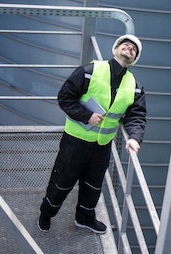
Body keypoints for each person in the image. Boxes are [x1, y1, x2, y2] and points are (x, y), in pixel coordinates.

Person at [38, 35, 147, 234]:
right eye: (126, 45)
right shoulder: (89, 72)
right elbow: (64, 97)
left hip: (102, 146)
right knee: (62, 181)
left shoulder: (135, 86)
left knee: (93, 185)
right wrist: (86, 116)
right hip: (75, 142)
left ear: (135, 59)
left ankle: (85, 218)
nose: (129, 48)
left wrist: (134, 137)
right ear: (115, 50)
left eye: (134, 49)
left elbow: (136, 116)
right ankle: (47, 212)